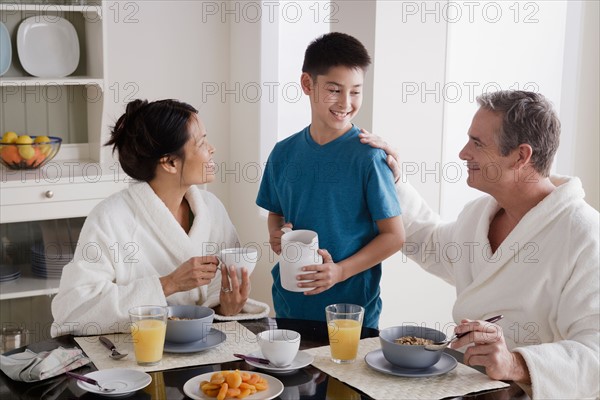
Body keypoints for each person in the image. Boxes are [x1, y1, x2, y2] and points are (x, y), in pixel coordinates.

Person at [360, 90, 599, 399]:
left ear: (520, 156)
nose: (463, 153)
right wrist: (392, 181)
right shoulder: (479, 214)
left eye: (477, 143)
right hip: (475, 386)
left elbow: (594, 353)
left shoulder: (584, 234)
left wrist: (515, 364)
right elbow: (431, 243)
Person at [52, 99, 269, 336]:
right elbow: (73, 309)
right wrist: (168, 284)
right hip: (133, 355)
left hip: (202, 348)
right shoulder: (110, 218)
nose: (212, 148)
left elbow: (219, 296)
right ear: (170, 162)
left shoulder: (211, 210)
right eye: (201, 142)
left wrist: (226, 307)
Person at [256, 32, 405, 329]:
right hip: (290, 305)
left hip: (351, 313)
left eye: (356, 92)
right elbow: (276, 213)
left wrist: (339, 271)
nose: (346, 103)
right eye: (335, 90)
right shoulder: (283, 153)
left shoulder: (368, 157)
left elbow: (394, 236)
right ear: (308, 84)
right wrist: (277, 234)